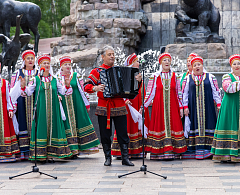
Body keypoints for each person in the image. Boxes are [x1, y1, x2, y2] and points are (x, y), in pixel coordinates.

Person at [84, 45, 141, 166]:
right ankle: (107, 158)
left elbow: (131, 90)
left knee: (122, 133)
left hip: (120, 106)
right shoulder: (97, 71)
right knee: (105, 134)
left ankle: (125, 158)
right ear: (102, 57)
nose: (112, 56)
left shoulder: (119, 70)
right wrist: (95, 87)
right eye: (109, 54)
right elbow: (86, 86)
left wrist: (138, 81)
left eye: (113, 54)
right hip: (104, 107)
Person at [20, 54, 73, 162]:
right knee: (42, 129)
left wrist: (67, 85)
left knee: (54, 129)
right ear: (39, 65)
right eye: (44, 63)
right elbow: (28, 93)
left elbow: (64, 92)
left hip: (54, 110)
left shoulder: (55, 80)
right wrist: (23, 86)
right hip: (41, 111)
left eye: (48, 63)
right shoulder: (36, 79)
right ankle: (41, 155)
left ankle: (51, 154)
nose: (47, 65)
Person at [142, 53, 187, 160]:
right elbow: (150, 93)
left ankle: (173, 152)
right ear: (160, 63)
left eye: (168, 60)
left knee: (174, 126)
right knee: (160, 126)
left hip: (173, 107)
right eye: (164, 60)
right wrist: (143, 106)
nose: (167, 62)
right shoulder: (155, 76)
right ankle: (158, 152)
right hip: (159, 107)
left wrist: (181, 107)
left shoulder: (175, 76)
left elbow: (178, 93)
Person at [57, 56, 100, 157]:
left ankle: (80, 148)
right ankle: (70, 149)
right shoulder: (57, 77)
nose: (68, 66)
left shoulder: (76, 76)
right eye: (65, 64)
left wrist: (87, 103)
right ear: (61, 67)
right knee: (68, 125)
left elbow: (82, 90)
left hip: (76, 102)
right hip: (65, 105)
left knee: (79, 123)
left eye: (69, 64)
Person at [111, 53, 150, 158]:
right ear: (131, 63)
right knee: (126, 126)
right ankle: (123, 151)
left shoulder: (139, 75)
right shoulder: (124, 75)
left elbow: (143, 92)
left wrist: (143, 105)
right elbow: (120, 91)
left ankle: (137, 151)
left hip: (137, 104)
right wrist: (124, 101)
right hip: (128, 105)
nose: (138, 63)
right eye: (136, 61)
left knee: (136, 125)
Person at [182, 56, 221, 159]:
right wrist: (185, 106)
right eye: (194, 65)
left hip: (208, 107)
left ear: (203, 65)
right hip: (193, 108)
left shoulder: (210, 77)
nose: (197, 67)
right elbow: (184, 94)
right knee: (194, 126)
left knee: (210, 124)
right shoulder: (188, 78)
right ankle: (195, 150)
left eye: (199, 64)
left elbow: (216, 92)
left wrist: (218, 104)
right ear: (192, 67)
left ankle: (209, 149)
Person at [10, 50, 38, 160]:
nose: (30, 60)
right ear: (24, 60)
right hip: (22, 103)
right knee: (22, 123)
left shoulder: (39, 72)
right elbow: (12, 90)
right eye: (28, 58)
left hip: (35, 101)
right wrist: (12, 105)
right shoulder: (17, 73)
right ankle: (24, 151)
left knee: (36, 123)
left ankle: (36, 149)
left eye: (32, 58)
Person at [211, 54, 240, 162]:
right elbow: (228, 88)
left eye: (239, 63)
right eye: (234, 64)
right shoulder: (226, 76)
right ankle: (226, 154)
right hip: (230, 106)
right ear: (231, 66)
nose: (237, 66)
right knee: (230, 126)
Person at [0, 62, 20, 162]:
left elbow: (8, 98)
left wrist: (10, 109)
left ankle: (6, 153)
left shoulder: (5, 83)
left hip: (3, 112)